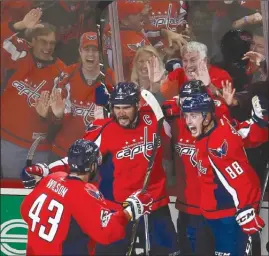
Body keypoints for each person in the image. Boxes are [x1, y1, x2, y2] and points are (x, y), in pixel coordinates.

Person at [24, 82, 180, 255]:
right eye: (117, 107)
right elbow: (79, 157)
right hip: (121, 207)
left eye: (126, 107)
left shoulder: (154, 117)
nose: (120, 113)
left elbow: (182, 106)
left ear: (137, 105)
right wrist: (47, 170)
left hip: (156, 204)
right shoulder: (105, 129)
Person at [21, 139, 153, 255]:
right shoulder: (85, 192)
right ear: (92, 165)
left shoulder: (52, 178)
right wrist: (129, 212)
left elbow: (25, 211)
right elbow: (105, 233)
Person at [180, 92, 266, 256]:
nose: (188, 121)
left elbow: (240, 180)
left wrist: (246, 210)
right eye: (186, 115)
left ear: (206, 117)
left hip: (226, 217)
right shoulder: (220, 124)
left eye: (193, 115)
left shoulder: (217, 144)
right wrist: (257, 123)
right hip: (208, 213)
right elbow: (241, 131)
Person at [1, 8, 66, 178]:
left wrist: (45, 116)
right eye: (43, 42)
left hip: (39, 149)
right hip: (8, 142)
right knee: (11, 193)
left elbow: (60, 119)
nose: (48, 47)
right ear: (32, 41)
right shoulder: (19, 53)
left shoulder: (61, 73)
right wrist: (20, 25)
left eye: (52, 43)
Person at [48, 31, 114, 160]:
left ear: (101, 53)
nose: (90, 54)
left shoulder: (110, 79)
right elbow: (53, 121)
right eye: (86, 49)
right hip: (63, 151)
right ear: (80, 51)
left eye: (95, 50)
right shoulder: (67, 75)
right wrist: (57, 115)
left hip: (96, 155)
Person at [160, 41, 232, 100]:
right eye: (185, 60)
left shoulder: (221, 75)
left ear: (204, 60)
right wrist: (158, 81)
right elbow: (164, 95)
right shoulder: (178, 73)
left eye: (193, 60)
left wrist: (208, 86)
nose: (188, 65)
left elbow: (226, 101)